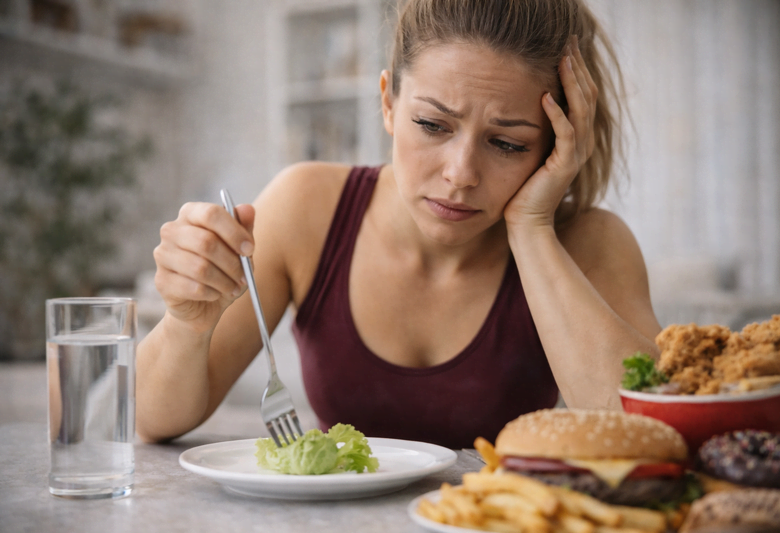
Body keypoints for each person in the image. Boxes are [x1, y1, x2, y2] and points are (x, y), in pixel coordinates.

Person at [136, 0, 662, 448]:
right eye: (433, 125)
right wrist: (187, 321)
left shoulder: (589, 244)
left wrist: (531, 227)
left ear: (555, 144)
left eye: (508, 143)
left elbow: (656, 432)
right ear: (388, 102)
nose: (460, 175)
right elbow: (150, 421)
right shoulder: (307, 208)